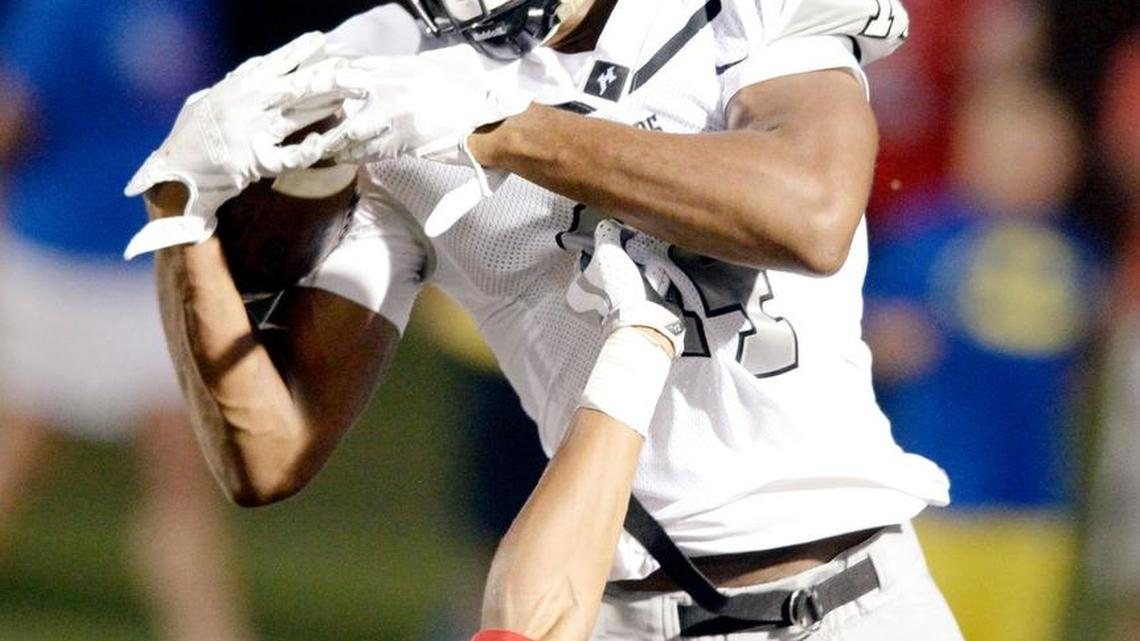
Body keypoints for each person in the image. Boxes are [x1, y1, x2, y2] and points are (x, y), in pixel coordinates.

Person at [124, 1, 964, 639]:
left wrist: (503, 133)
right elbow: (268, 449)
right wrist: (181, 213)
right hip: (600, 606)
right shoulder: (386, 61)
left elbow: (810, 214)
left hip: (855, 604)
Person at [0, 3, 257, 641]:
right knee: (13, 461)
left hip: (152, 267)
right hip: (58, 267)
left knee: (186, 479)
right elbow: (12, 117)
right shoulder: (63, 9)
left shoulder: (186, 7)